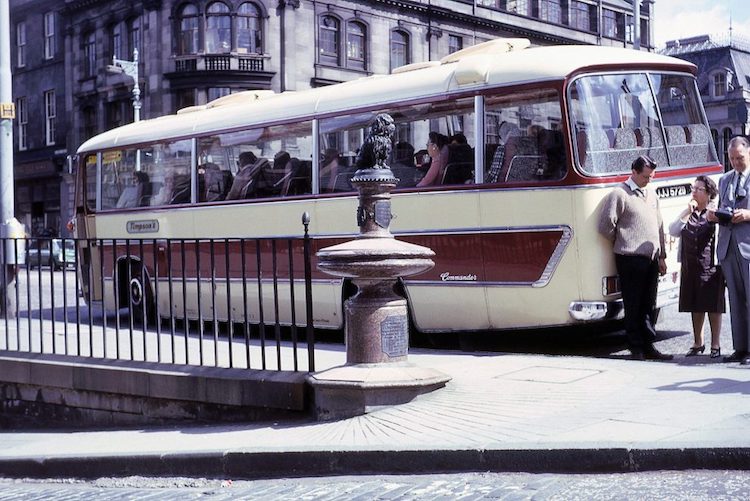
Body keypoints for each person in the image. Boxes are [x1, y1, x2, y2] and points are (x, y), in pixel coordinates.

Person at [598, 155, 672, 360]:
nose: (649, 180)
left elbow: (659, 225)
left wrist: (662, 256)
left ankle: (649, 345)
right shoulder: (619, 194)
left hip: (651, 257)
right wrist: (624, 241)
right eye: (646, 176)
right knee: (633, 303)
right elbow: (605, 226)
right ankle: (636, 346)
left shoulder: (651, 194)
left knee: (649, 303)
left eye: (651, 177)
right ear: (634, 172)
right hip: (630, 258)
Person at [668, 175, 724, 358]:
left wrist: (715, 217)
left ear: (708, 193)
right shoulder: (689, 212)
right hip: (690, 265)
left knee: (713, 305)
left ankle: (716, 344)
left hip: (710, 266)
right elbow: (673, 230)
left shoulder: (714, 211)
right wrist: (686, 212)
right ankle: (698, 342)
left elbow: (723, 232)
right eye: (693, 188)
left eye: (698, 189)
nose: (694, 192)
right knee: (695, 304)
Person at [708, 135, 750, 365]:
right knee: (735, 299)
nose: (735, 162)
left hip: (748, 246)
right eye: (732, 158)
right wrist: (714, 214)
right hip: (728, 247)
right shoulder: (724, 180)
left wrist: (748, 214)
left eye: (740, 158)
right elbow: (720, 206)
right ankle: (740, 348)